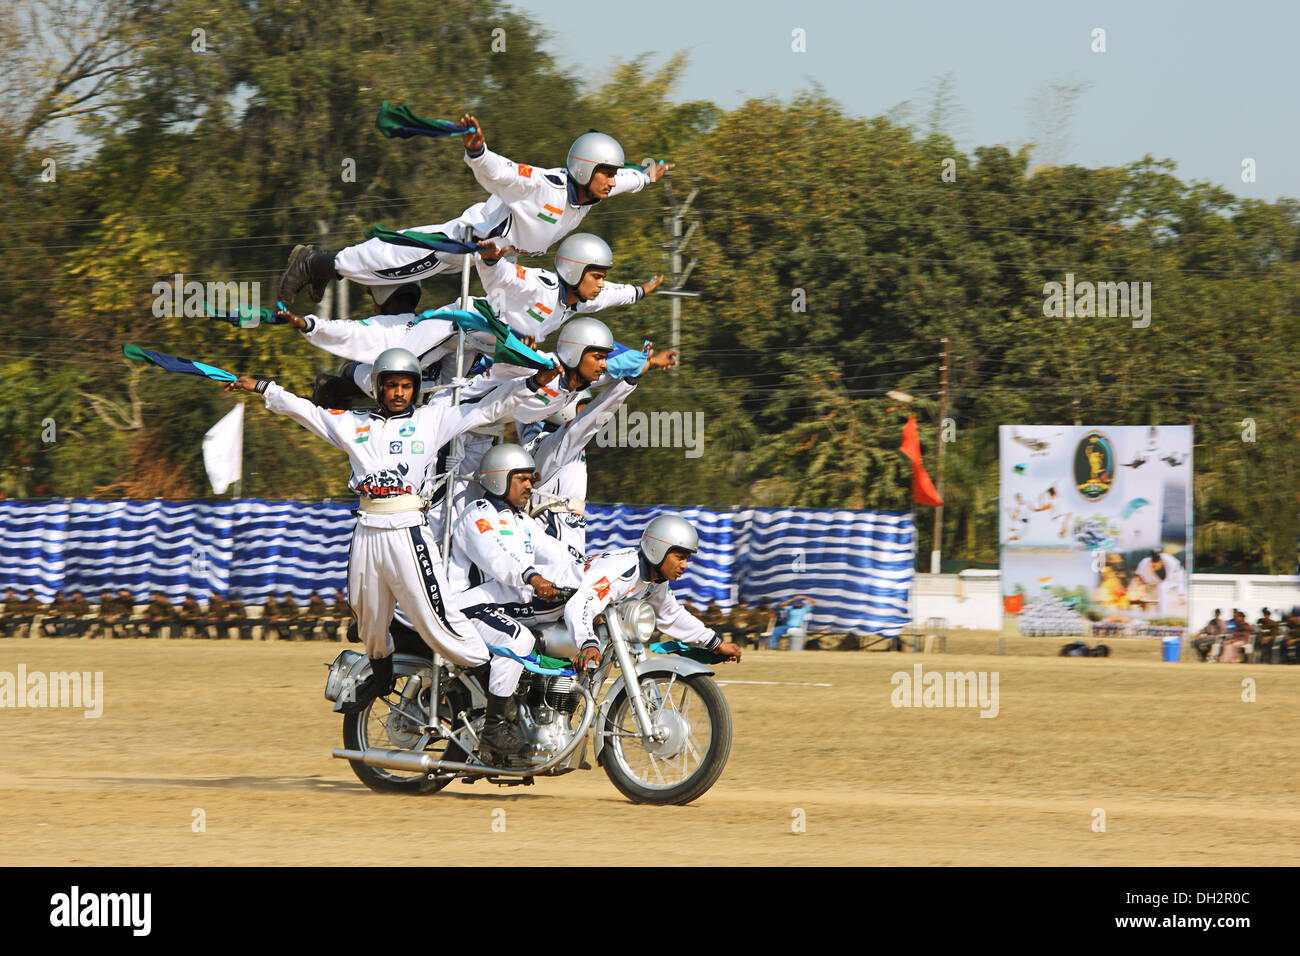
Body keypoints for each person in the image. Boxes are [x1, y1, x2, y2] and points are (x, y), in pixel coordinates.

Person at [223, 347, 560, 744]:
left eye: (406, 386)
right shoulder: (353, 423)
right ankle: (380, 681)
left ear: (415, 389)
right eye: (391, 386)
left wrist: (531, 384)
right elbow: (307, 412)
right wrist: (263, 387)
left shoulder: (431, 419)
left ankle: (494, 704)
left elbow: (486, 408)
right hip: (366, 528)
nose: (399, 392)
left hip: (407, 529)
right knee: (368, 616)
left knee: (439, 623)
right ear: (378, 389)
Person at [278, 120, 672, 304]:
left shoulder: (594, 191)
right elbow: (500, 174)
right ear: (585, 169)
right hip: (465, 242)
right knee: (392, 263)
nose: (612, 180)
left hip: (493, 260)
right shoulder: (544, 185)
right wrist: (477, 151)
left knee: (392, 277)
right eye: (606, 172)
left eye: (613, 174)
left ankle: (328, 269)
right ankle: (313, 264)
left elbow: (630, 181)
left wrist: (647, 176)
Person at [448, 444, 586, 754]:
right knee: (518, 639)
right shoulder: (478, 517)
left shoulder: (522, 522)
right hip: (467, 607)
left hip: (501, 603)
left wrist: (592, 571)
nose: (529, 486)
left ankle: (537, 710)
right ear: (499, 479)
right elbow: (499, 557)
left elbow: (557, 552)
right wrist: (533, 578)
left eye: (530, 479)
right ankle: (494, 731)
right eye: (521, 479)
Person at [567, 513, 742, 673]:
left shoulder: (654, 581)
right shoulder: (624, 572)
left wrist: (715, 644)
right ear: (657, 550)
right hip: (548, 614)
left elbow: (671, 615)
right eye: (680, 557)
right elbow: (579, 605)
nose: (685, 565)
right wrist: (588, 643)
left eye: (687, 559)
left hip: (571, 622)